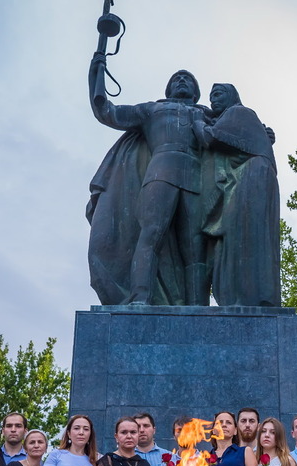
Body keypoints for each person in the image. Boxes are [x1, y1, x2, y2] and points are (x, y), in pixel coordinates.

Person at [87, 57, 210, 306]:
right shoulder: (152, 109)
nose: (182, 80)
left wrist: (261, 135)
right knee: (151, 234)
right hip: (160, 172)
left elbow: (236, 131)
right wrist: (97, 74)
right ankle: (140, 297)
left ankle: (198, 307)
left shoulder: (208, 114)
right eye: (177, 78)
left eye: (188, 79)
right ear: (169, 89)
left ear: (196, 92)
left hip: (198, 178)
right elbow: (106, 111)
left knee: (195, 247)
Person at [194, 83, 280, 308]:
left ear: (233, 96)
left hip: (252, 178)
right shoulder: (235, 119)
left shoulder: (238, 112)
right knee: (239, 238)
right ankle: (242, 296)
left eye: (219, 94)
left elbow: (210, 138)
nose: (214, 100)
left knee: (244, 237)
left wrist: (197, 124)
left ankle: (248, 297)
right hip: (253, 177)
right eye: (211, 97)